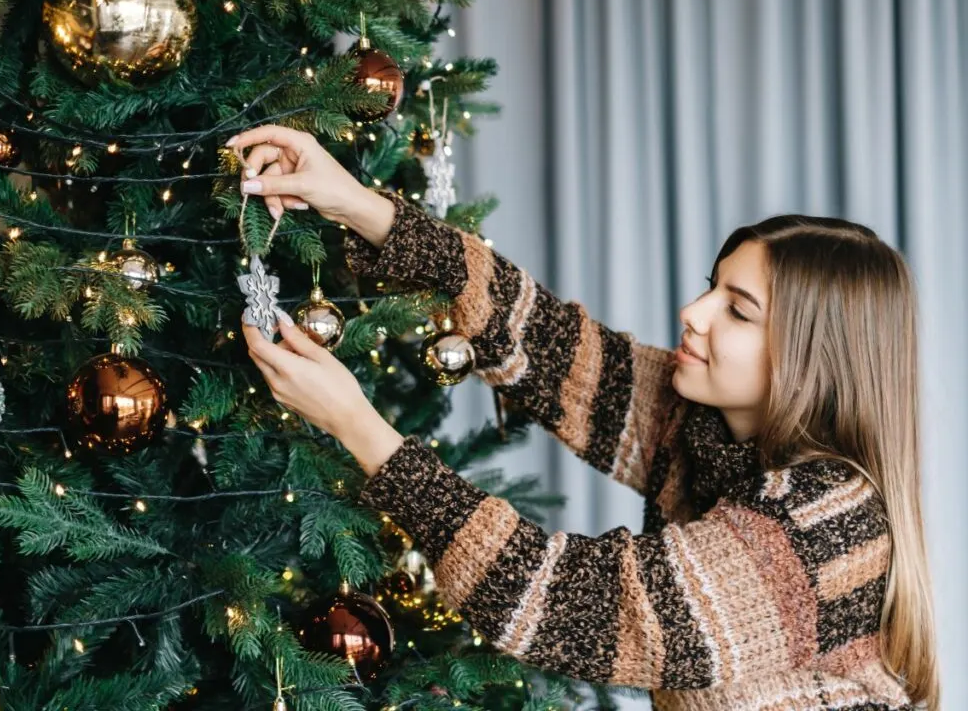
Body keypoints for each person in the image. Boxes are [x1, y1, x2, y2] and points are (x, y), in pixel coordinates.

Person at [230, 125, 939, 711]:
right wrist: (357, 205)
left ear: (813, 358)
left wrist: (359, 426)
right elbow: (548, 347)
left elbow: (573, 602)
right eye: (709, 290)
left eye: (738, 310)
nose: (693, 315)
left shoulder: (818, 527)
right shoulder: (714, 430)